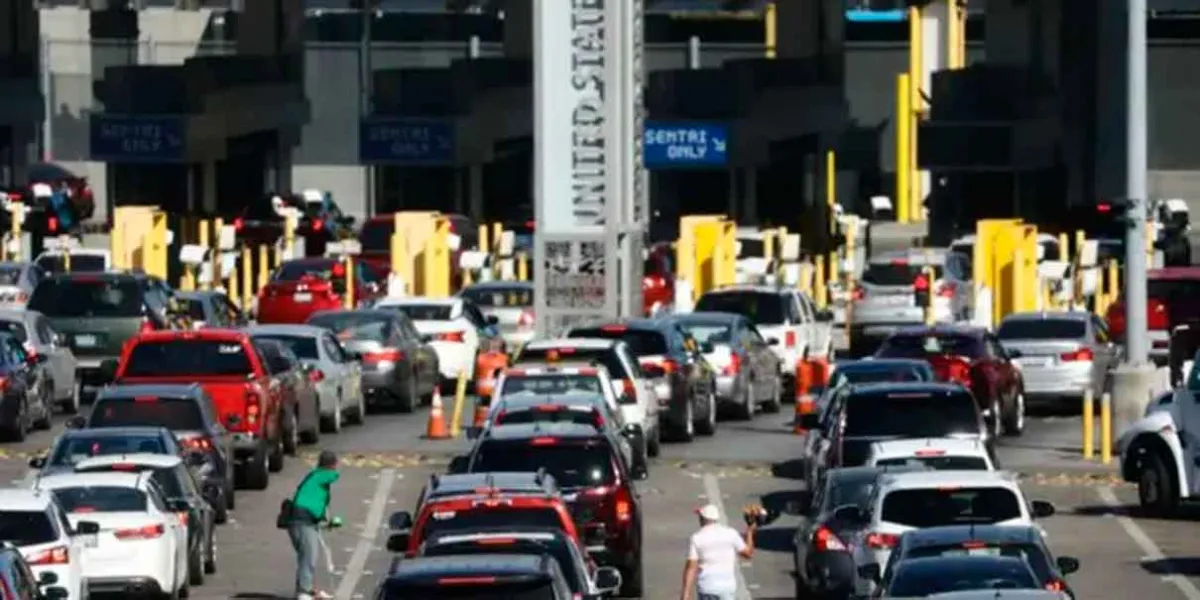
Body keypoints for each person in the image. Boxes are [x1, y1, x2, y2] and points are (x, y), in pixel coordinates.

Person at [289, 450, 341, 600]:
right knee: (309, 557)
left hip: (301, 521)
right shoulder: (323, 475)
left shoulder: (314, 476)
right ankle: (304, 592)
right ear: (332, 465)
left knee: (306, 557)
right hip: (302, 521)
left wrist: (327, 521)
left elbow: (318, 503)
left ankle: (308, 589)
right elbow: (334, 476)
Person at [680, 504, 757, 600]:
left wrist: (685, 593)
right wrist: (749, 532)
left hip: (707, 587)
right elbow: (748, 553)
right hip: (726, 588)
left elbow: (691, 567)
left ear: (703, 519)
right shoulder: (730, 533)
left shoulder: (697, 537)